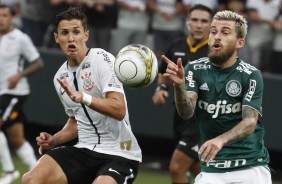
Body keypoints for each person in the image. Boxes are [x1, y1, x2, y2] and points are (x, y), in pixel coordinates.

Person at [22, 7, 142, 184]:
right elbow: (76, 121)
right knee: (31, 180)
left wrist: (84, 97)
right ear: (56, 38)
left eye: (76, 32)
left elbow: (119, 109)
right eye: (64, 33)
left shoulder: (102, 59)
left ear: (86, 35)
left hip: (119, 153)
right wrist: (54, 140)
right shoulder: (60, 76)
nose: (71, 38)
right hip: (83, 150)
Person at [162, 10, 271, 184]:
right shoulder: (194, 69)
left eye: (225, 32)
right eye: (213, 32)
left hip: (250, 166)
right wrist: (179, 86)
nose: (216, 37)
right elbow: (186, 112)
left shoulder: (250, 74)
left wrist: (220, 140)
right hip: (213, 168)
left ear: (240, 42)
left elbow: (250, 122)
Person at [152, 4, 212, 184]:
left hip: (202, 120)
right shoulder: (176, 46)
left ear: (212, 25)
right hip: (180, 116)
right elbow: (163, 72)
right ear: (187, 23)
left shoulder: (216, 52)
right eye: (195, 20)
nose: (199, 25)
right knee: (199, 173)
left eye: (204, 21)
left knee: (177, 168)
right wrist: (161, 89)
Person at [0, 4, 44, 184]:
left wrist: (20, 74)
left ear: (12, 18)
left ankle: (9, 171)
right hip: (1, 92)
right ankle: (39, 173)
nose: (1, 19)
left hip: (14, 92)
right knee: (16, 138)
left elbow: (38, 63)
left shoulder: (20, 38)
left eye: (4, 15)